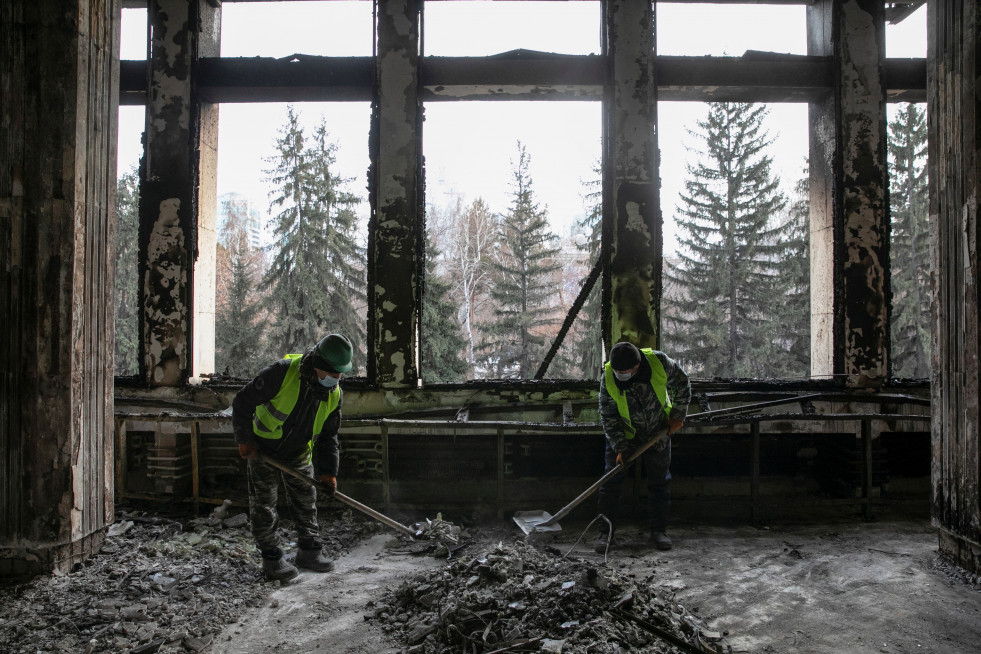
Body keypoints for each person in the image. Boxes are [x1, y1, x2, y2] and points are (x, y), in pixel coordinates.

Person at [232, 334, 353, 581]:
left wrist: (329, 473)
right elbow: (242, 402)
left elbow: (329, 436)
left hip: (298, 451)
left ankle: (309, 552)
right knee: (264, 504)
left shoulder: (334, 394)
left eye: (340, 376)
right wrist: (244, 440)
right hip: (263, 448)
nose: (336, 380)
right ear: (317, 364)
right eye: (333, 374)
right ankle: (272, 559)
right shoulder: (281, 373)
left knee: (306, 501)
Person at [594, 341, 691, 552]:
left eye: (625, 371)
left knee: (659, 482)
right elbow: (607, 414)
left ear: (637, 365)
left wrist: (677, 416)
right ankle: (605, 532)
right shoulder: (608, 376)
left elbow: (682, 383)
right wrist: (620, 446)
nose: (621, 374)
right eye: (618, 370)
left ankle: (659, 531)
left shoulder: (660, 362)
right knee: (610, 483)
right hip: (624, 436)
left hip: (658, 433)